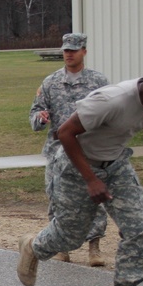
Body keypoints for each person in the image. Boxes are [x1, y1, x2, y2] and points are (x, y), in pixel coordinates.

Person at [17, 64, 143, 286]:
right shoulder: (111, 100)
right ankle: (33, 247)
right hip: (76, 167)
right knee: (71, 237)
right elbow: (65, 133)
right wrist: (91, 179)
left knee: (140, 232)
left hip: (117, 166)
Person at [29, 33, 110, 266]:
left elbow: (109, 115)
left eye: (74, 50)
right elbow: (34, 114)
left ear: (84, 51)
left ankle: (94, 247)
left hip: (89, 150)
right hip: (58, 152)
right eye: (66, 50)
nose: (69, 54)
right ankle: (61, 247)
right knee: (57, 199)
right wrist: (40, 118)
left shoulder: (98, 82)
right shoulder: (50, 82)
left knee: (94, 198)